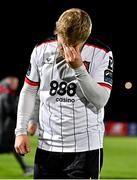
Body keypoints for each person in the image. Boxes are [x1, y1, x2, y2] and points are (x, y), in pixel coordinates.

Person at [14, 8, 113, 179]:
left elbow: (101, 99)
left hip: (85, 148)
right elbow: (29, 90)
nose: (66, 48)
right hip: (47, 147)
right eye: (62, 41)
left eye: (73, 44)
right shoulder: (41, 49)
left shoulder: (101, 53)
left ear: (84, 38)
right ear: (57, 30)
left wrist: (79, 69)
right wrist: (20, 131)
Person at [0, 76, 33, 176]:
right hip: (5, 130)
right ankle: (26, 168)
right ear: (9, 81)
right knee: (14, 148)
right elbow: (12, 111)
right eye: (15, 82)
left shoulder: (4, 94)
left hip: (4, 130)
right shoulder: (7, 96)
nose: (17, 85)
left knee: (14, 149)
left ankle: (26, 168)